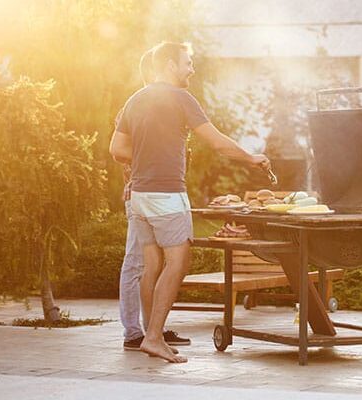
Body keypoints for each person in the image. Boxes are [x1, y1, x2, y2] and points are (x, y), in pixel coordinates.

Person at [109, 41, 270, 363]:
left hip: (139, 196)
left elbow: (117, 149)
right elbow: (217, 143)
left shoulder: (135, 100)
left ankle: (150, 334)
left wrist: (147, 155)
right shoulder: (181, 98)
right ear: (169, 64)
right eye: (187, 63)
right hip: (167, 195)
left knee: (151, 265)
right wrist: (251, 158)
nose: (191, 69)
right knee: (178, 263)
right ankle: (153, 337)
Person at [116, 47, 191, 352]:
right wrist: (148, 165)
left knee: (153, 263)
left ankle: (153, 331)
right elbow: (120, 150)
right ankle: (136, 332)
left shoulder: (161, 105)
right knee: (137, 263)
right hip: (142, 192)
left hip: (148, 191)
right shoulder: (140, 103)